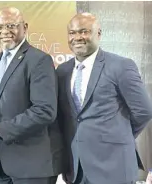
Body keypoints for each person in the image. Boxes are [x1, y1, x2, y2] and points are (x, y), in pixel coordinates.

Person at [0, 7, 63, 184]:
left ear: (25, 27)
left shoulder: (39, 60)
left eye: (11, 25)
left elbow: (44, 111)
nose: (4, 32)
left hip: (33, 166)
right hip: (0, 165)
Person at [57, 12, 152, 184]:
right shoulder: (62, 71)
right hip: (76, 169)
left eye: (84, 31)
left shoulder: (121, 66)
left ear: (98, 33)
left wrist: (118, 133)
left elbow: (144, 111)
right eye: (72, 33)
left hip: (114, 166)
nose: (77, 37)